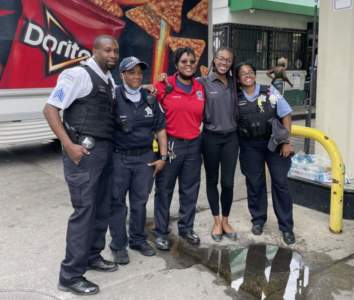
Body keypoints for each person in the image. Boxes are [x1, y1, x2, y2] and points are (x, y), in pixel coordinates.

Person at [43, 35, 119, 295]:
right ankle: (70, 275)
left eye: (116, 51)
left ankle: (92, 256)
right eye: (107, 50)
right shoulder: (78, 75)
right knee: (84, 211)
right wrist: (68, 145)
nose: (112, 55)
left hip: (104, 152)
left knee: (101, 208)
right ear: (94, 51)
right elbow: (51, 108)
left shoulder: (108, 80)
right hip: (83, 154)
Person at [109, 57, 167, 264]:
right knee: (117, 204)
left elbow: (160, 129)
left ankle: (137, 239)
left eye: (139, 73)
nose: (136, 76)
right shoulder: (113, 95)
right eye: (131, 72)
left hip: (145, 159)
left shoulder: (150, 98)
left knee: (140, 202)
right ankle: (118, 245)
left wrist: (163, 157)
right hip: (119, 157)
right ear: (122, 75)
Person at [236, 62, 295, 244]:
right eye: (243, 73)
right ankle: (258, 220)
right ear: (237, 78)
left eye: (250, 72)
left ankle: (286, 227)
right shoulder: (234, 96)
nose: (248, 75)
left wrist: (286, 142)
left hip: (274, 144)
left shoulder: (270, 91)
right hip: (250, 146)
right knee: (255, 184)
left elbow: (285, 115)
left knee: (281, 184)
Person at [152, 46, 205, 250]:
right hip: (170, 144)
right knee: (164, 189)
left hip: (194, 144)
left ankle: (186, 228)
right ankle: (160, 232)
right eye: (184, 61)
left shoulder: (200, 88)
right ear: (176, 64)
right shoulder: (166, 84)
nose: (189, 65)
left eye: (192, 61)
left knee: (190, 190)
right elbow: (151, 108)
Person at [198, 47, 239, 242]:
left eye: (228, 60)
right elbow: (179, 83)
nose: (224, 62)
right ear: (214, 59)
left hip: (232, 138)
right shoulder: (203, 82)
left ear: (232, 63)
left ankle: (225, 220)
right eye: (220, 58)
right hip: (210, 138)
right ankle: (216, 221)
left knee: (228, 183)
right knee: (212, 181)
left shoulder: (234, 83)